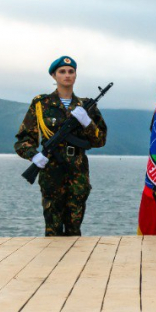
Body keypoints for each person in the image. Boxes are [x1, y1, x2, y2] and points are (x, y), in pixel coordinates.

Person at [14, 56, 107, 236]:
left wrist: (88, 123)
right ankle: (52, 264)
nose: (67, 75)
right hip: (51, 172)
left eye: (71, 71)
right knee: (53, 230)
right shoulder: (41, 104)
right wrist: (34, 155)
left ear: (75, 76)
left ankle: (75, 265)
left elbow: (100, 140)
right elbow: (23, 140)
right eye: (62, 72)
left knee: (74, 230)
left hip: (77, 173)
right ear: (54, 76)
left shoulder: (86, 106)